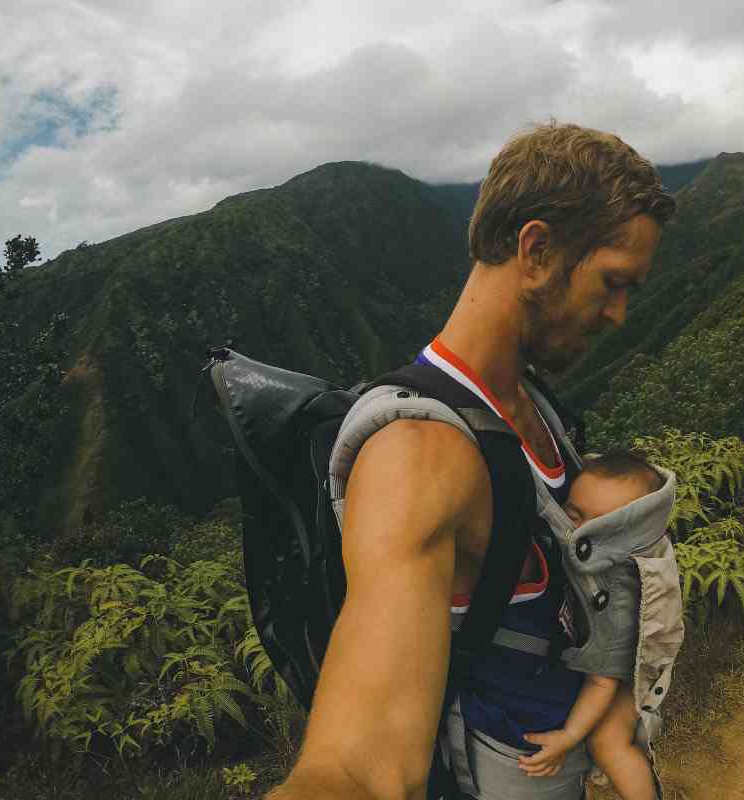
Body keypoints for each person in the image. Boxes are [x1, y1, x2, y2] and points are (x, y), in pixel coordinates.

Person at [266, 122, 676, 800]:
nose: (620, 315)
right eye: (612, 283)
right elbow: (360, 766)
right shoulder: (419, 457)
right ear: (537, 251)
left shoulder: (532, 407)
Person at [518, 451, 672, 800]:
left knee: (608, 743)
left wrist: (568, 737)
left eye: (599, 525)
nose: (578, 530)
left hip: (627, 668)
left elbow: (602, 681)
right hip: (628, 647)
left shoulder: (617, 599)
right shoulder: (622, 548)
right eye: (574, 515)